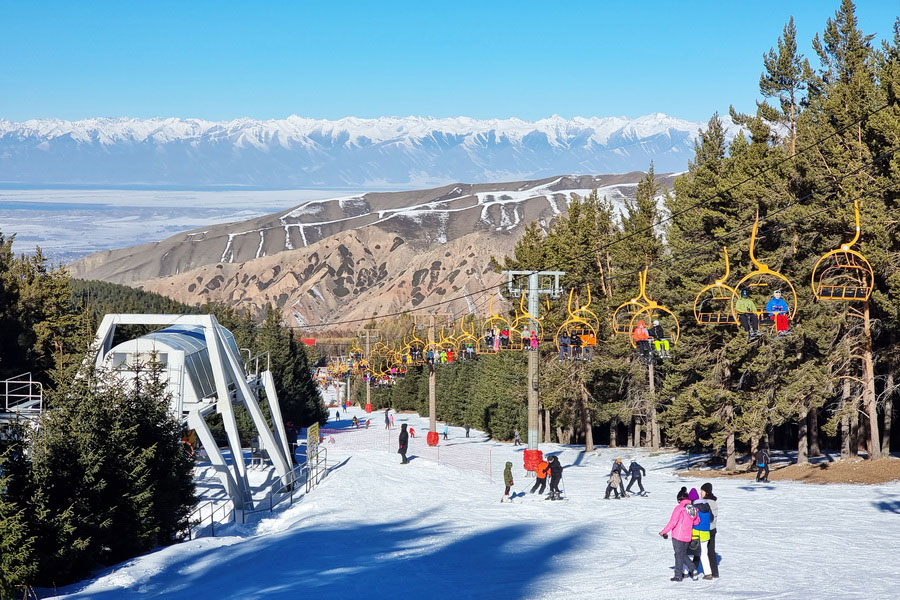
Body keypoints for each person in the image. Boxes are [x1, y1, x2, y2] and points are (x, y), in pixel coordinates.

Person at [659, 487, 700, 582]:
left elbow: (673, 522)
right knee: (682, 554)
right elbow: (697, 521)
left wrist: (664, 532)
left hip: (678, 535)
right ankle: (686, 571)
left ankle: (685, 572)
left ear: (679, 499)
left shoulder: (679, 508)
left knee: (679, 554)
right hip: (687, 536)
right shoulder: (693, 508)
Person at [695, 482, 719, 579]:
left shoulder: (706, 503)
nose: (701, 493)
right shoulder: (714, 501)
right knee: (711, 551)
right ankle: (715, 572)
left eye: (702, 491)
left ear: (707, 492)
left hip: (706, 529)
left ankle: (693, 569)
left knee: (698, 550)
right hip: (713, 529)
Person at [688, 488, 713, 579]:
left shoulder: (693, 507)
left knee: (690, 553)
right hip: (706, 533)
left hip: (695, 532)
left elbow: (690, 520)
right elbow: (711, 518)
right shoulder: (706, 505)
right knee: (704, 554)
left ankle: (686, 571)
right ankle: (708, 573)